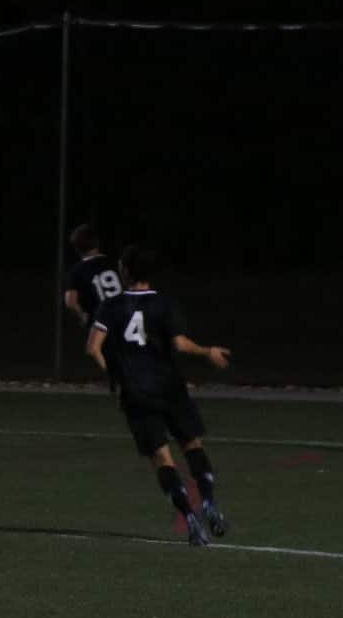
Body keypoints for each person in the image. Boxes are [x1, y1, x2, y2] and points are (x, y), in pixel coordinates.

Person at [87, 245, 233, 546]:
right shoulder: (164, 304)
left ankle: (191, 521)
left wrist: (116, 378)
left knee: (161, 458)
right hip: (170, 387)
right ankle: (208, 502)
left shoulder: (111, 306)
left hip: (136, 393)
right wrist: (208, 352)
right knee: (192, 444)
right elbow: (179, 344)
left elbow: (92, 348)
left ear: (125, 271)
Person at [64, 223, 123, 345]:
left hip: (101, 325)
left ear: (76, 248)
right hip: (125, 320)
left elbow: (70, 302)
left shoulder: (78, 270)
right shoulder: (114, 263)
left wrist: (82, 315)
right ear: (97, 243)